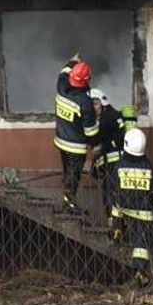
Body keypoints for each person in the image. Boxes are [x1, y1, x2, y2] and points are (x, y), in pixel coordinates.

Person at [110, 127, 153, 287]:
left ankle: (117, 228)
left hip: (123, 207)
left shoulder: (119, 166)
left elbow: (113, 188)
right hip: (144, 212)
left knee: (115, 205)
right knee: (142, 242)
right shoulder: (149, 168)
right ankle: (140, 269)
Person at [55, 55, 99, 214]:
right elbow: (91, 132)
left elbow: (63, 72)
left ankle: (67, 198)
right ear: (87, 80)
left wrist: (72, 60)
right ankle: (69, 203)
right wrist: (95, 144)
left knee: (67, 171)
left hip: (60, 141)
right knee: (74, 175)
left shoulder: (61, 86)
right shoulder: (85, 102)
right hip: (76, 147)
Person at [89, 89, 123, 221]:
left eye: (96, 104)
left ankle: (114, 226)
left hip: (113, 166)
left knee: (111, 196)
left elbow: (94, 139)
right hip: (114, 166)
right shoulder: (115, 116)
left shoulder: (107, 119)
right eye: (91, 105)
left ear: (103, 104)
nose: (93, 108)